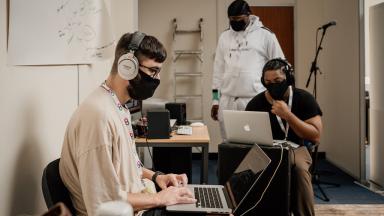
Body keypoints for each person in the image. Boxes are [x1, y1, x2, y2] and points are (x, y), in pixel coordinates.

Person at [59, 32, 196, 216]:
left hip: (137, 205)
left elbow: (127, 167)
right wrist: (161, 198)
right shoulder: (98, 117)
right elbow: (104, 203)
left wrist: (157, 177)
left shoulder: (118, 106)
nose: (156, 79)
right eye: (153, 71)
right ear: (127, 67)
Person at [245, 58, 323, 216]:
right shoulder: (255, 103)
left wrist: (288, 115)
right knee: (241, 171)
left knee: (300, 171)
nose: (273, 85)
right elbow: (246, 132)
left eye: (278, 80)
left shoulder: (304, 98)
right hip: (265, 149)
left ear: (289, 79)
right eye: (268, 81)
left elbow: (316, 136)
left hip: (296, 148)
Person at [211, 0, 285, 140]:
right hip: (227, 102)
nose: (235, 23)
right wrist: (215, 101)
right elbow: (217, 73)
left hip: (255, 99)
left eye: (239, 19)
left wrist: (277, 96)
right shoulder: (224, 37)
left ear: (248, 15)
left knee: (255, 144)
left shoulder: (266, 35)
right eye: (232, 20)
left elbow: (280, 65)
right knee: (229, 145)